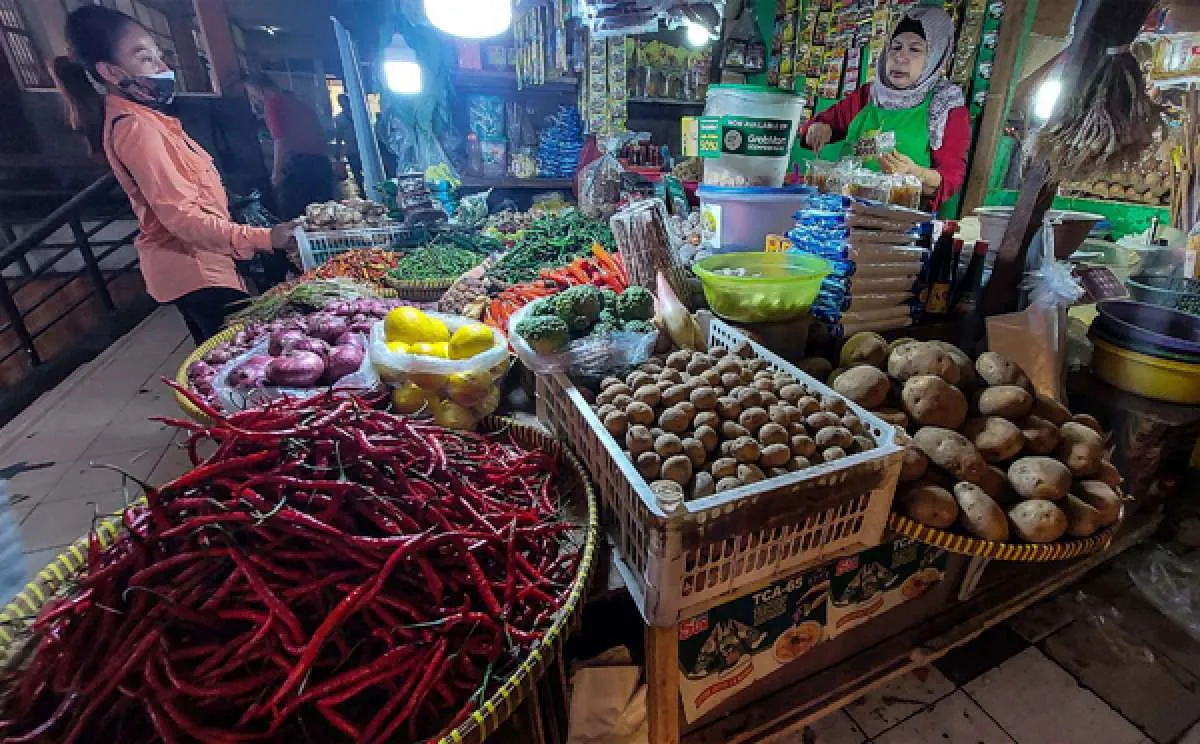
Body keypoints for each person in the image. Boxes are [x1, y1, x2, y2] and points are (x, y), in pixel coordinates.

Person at [51, 6, 296, 344]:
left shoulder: (151, 121)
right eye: (145, 58)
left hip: (209, 266)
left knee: (230, 366)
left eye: (159, 56)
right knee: (239, 369)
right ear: (111, 71)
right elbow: (183, 220)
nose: (162, 68)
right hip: (196, 270)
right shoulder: (137, 128)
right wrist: (266, 238)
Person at [798, 7, 970, 211]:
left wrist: (916, 174)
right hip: (842, 215)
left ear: (934, 57)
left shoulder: (945, 105)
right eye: (896, 47)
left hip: (901, 225)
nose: (900, 57)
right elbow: (822, 124)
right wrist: (818, 128)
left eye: (914, 49)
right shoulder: (869, 94)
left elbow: (951, 177)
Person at [243, 73, 334, 219]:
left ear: (260, 91)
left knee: (296, 220)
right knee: (326, 218)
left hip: (300, 170)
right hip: (323, 166)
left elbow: (280, 140)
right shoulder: (299, 103)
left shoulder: (273, 104)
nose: (253, 100)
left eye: (252, 94)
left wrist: (276, 173)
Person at [334, 93, 364, 197]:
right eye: (341, 102)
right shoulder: (339, 119)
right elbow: (339, 135)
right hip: (352, 150)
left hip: (364, 149)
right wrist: (338, 153)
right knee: (356, 173)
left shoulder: (359, 114)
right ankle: (362, 192)